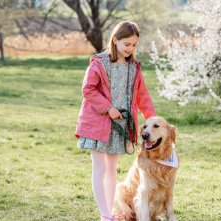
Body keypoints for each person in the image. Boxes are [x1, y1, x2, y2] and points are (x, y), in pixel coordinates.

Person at [75, 21, 156, 221]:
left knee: (112, 169)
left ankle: (110, 211)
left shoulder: (134, 67)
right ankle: (105, 215)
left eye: (134, 45)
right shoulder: (99, 63)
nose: (130, 49)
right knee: (100, 168)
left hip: (121, 125)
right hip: (98, 123)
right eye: (127, 44)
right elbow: (88, 90)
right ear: (115, 40)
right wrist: (108, 109)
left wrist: (151, 117)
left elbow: (142, 95)